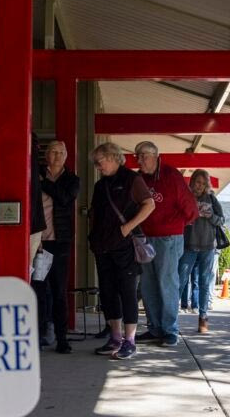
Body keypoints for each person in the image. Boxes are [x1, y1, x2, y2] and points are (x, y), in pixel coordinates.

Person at [89, 143, 155, 360]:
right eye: (96, 163)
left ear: (113, 157)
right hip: (103, 246)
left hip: (125, 247)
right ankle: (115, 337)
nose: (98, 167)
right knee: (108, 293)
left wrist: (128, 227)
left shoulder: (131, 179)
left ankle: (130, 340)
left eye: (100, 162)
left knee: (127, 292)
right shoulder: (100, 185)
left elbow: (149, 204)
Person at [135, 141, 198, 347]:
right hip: (145, 238)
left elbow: (190, 208)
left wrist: (176, 226)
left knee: (167, 283)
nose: (140, 160)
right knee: (148, 285)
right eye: (138, 156)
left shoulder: (171, 176)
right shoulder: (139, 178)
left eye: (144, 156)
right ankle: (154, 328)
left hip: (168, 238)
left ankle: (170, 330)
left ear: (155, 156)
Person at [0, 103, 46, 267]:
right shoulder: (14, 144)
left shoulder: (14, 146)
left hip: (19, 224)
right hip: (24, 223)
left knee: (14, 274)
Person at [33, 140, 79, 354]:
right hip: (38, 242)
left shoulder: (72, 180)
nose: (57, 155)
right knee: (39, 290)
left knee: (59, 291)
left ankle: (62, 338)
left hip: (59, 242)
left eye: (61, 152)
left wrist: (44, 184)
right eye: (52, 151)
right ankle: (40, 335)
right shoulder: (35, 173)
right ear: (46, 155)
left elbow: (64, 198)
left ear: (66, 156)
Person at [179, 169, 224, 333]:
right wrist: (191, 214)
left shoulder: (211, 198)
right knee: (181, 280)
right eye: (198, 182)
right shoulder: (185, 197)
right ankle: (171, 318)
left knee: (205, 282)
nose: (200, 186)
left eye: (204, 183)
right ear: (192, 182)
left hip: (207, 246)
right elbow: (177, 218)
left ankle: (203, 318)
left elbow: (221, 220)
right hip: (188, 245)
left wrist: (210, 215)